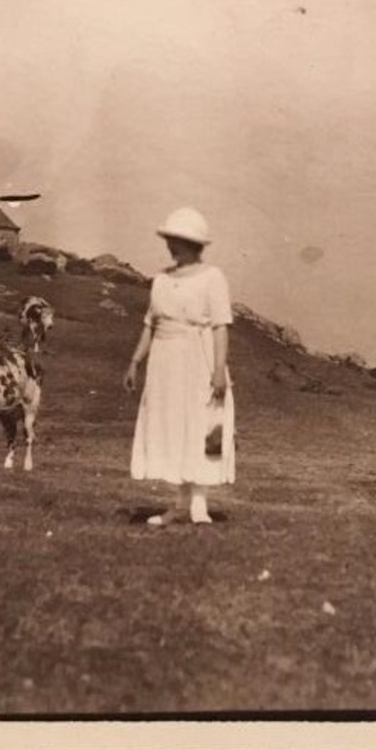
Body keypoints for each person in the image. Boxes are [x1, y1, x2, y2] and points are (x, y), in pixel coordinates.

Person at [123, 207, 235, 526]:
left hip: (197, 360)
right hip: (164, 363)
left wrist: (218, 370)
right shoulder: (160, 280)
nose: (174, 246)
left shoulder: (213, 278)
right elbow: (150, 324)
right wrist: (134, 362)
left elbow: (220, 326)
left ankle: (199, 505)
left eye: (181, 240)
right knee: (171, 427)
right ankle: (179, 504)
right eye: (171, 239)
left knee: (200, 426)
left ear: (195, 244)